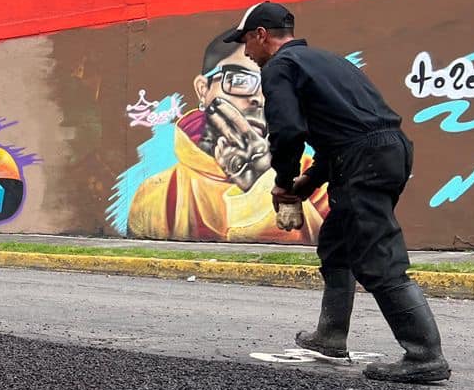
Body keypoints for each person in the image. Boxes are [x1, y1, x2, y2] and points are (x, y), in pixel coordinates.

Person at [229, 2, 448, 384]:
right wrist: (309, 183)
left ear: (262, 35)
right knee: (338, 244)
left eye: (247, 41)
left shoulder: (281, 67)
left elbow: (288, 131)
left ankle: (424, 354)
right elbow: (347, 135)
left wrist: (283, 181)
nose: (247, 52)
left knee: (376, 252)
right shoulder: (327, 62)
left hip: (364, 159)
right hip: (387, 151)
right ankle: (330, 336)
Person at [128, 29, 329, 242]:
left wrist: (263, 179)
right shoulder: (157, 194)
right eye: (241, 81)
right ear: (203, 90)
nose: (258, 99)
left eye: (270, 86)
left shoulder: (311, 179)